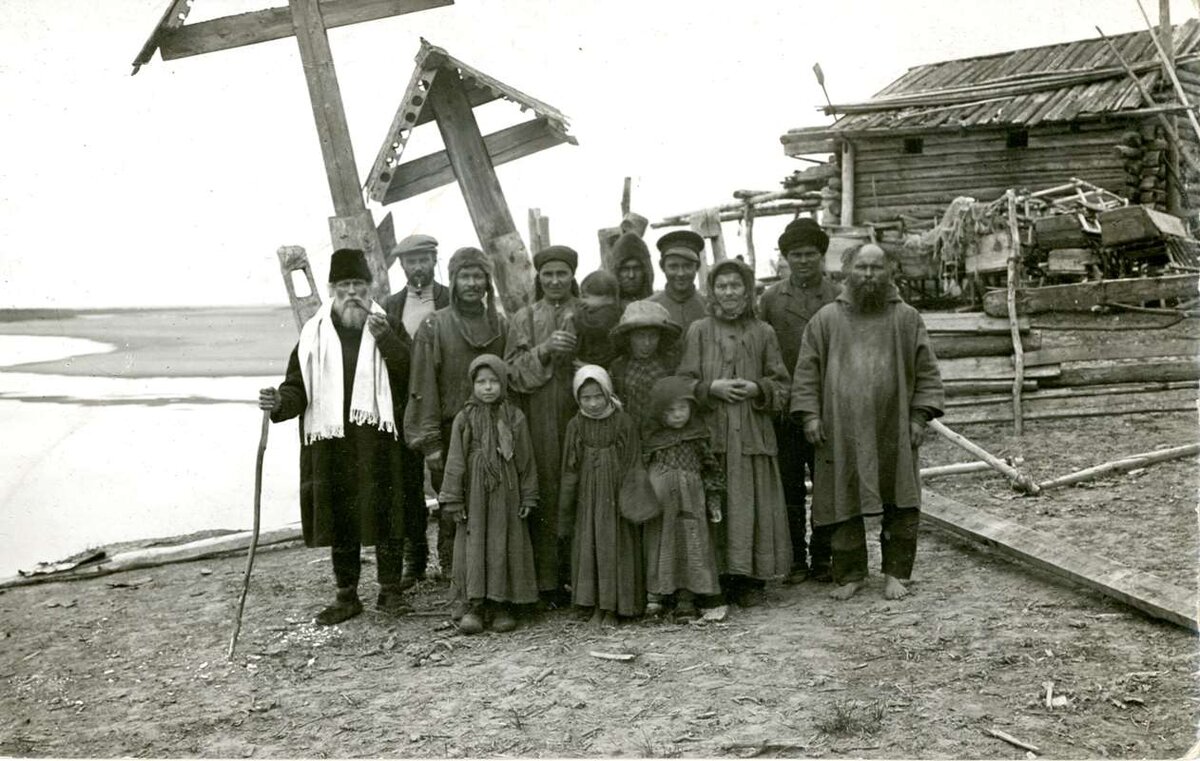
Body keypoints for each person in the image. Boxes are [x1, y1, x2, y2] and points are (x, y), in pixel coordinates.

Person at [258, 248, 412, 625]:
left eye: (359, 284)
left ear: (370, 287)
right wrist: (279, 401)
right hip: (333, 444)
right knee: (341, 517)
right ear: (333, 289)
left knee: (388, 515)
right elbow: (298, 389)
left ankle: (390, 592)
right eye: (345, 285)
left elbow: (410, 373)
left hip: (379, 440)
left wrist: (388, 340)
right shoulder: (313, 334)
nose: (353, 293)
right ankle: (347, 597)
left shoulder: (386, 324)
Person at [790, 243, 945, 601]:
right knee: (841, 497)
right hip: (840, 429)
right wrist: (811, 415)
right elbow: (806, 372)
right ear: (847, 270)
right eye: (862, 267)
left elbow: (927, 372)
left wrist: (920, 416)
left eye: (877, 267)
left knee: (901, 499)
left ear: (890, 270)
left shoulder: (906, 318)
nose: (869, 275)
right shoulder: (826, 319)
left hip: (894, 425)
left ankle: (896, 573)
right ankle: (850, 574)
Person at [677, 258, 792, 608]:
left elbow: (783, 385)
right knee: (716, 505)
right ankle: (718, 578)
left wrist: (759, 389)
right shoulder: (698, 330)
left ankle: (751, 578)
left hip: (753, 435)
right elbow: (682, 382)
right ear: (712, 292)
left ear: (747, 290)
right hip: (713, 437)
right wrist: (711, 388)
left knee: (751, 504)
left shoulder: (763, 332)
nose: (729, 292)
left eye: (735, 285)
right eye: (722, 286)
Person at [404, 247, 506, 593]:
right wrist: (430, 442)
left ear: (487, 281)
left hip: (494, 430)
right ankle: (454, 575)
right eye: (465, 276)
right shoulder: (434, 325)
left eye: (479, 276)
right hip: (450, 431)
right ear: (453, 280)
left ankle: (491, 577)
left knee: (494, 502)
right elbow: (422, 386)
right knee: (452, 503)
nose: (472, 284)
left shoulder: (500, 324)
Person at [758, 218, 841, 584]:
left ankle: (823, 557)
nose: (803, 261)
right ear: (785, 258)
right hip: (785, 407)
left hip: (829, 405)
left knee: (827, 484)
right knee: (788, 484)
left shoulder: (839, 296)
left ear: (822, 256)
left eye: (810, 254)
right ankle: (795, 559)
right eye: (796, 255)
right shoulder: (772, 299)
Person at [437, 354, 539, 634]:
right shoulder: (464, 417)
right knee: (476, 545)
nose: (488, 387)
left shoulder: (514, 416)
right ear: (473, 385)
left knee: (502, 543)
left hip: (506, 493)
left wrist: (529, 495)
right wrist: (455, 499)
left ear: (503, 384)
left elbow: (526, 459)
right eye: (481, 382)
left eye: (494, 381)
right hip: (475, 493)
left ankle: (501, 604)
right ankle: (475, 605)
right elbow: (456, 459)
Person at [505, 245, 581, 605]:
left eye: (561, 274)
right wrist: (545, 349)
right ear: (539, 278)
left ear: (572, 277)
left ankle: (586, 580)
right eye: (547, 275)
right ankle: (549, 583)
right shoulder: (524, 319)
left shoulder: (586, 313)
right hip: (540, 418)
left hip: (582, 411)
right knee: (548, 490)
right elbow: (512, 374)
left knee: (587, 489)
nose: (554, 281)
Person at [384, 233, 450, 590]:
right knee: (406, 484)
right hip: (404, 406)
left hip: (443, 400)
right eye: (411, 261)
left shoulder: (450, 299)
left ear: (434, 260)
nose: (418, 266)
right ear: (403, 266)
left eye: (424, 259)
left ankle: (450, 558)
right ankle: (416, 559)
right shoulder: (390, 305)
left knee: (447, 480)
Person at [557, 365, 644, 626]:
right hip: (588, 495)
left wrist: (628, 495)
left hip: (615, 494)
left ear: (608, 393)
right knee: (590, 544)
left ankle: (615, 606)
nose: (593, 403)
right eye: (586, 398)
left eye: (598, 396)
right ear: (577, 398)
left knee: (614, 545)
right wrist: (567, 504)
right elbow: (570, 467)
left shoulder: (622, 421)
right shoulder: (576, 425)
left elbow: (633, 461)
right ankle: (593, 603)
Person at [640, 376, 725, 621]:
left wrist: (713, 502)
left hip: (691, 506)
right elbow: (639, 473)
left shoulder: (697, 439)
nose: (678, 415)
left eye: (683, 408)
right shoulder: (652, 443)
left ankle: (686, 599)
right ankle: (656, 598)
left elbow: (711, 471)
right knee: (660, 546)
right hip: (660, 509)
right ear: (659, 412)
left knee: (691, 546)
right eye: (671, 410)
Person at [608, 300, 681, 428]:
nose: (647, 343)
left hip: (663, 436)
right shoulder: (618, 367)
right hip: (630, 435)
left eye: (653, 336)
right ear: (629, 337)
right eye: (640, 336)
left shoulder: (670, 364)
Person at [647, 230, 708, 368]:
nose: (680, 273)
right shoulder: (648, 308)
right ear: (662, 267)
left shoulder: (711, 307)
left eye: (687, 266)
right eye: (673, 266)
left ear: (697, 267)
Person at [572, 270, 623, 368]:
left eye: (586, 297)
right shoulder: (601, 310)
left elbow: (589, 325)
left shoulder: (608, 313)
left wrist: (576, 315)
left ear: (607, 298)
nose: (582, 301)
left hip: (602, 360)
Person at [608, 231, 655, 309]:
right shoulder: (606, 310)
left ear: (645, 271)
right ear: (616, 272)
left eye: (637, 268)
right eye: (625, 269)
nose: (631, 275)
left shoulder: (658, 307)